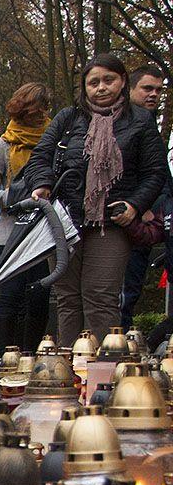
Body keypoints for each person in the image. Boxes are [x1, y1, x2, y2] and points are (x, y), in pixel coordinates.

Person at [25, 54, 168, 346]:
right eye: (93, 82)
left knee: (100, 297)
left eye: (108, 80)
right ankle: (67, 373)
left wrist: (135, 205)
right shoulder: (67, 118)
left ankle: (100, 376)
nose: (101, 88)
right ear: (84, 87)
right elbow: (39, 158)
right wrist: (42, 185)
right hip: (64, 221)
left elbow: (155, 173)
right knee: (67, 299)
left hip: (112, 223)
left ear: (123, 82)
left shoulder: (140, 121)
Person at [0, 81, 53, 351]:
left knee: (38, 299)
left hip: (44, 234)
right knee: (10, 298)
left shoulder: (54, 142)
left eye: (44, 110)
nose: (41, 116)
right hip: (10, 234)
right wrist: (14, 198)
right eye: (35, 111)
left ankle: (30, 357)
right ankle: (5, 361)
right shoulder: (3, 145)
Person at [119, 65, 168, 328]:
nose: (154, 94)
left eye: (159, 90)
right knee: (123, 292)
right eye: (147, 88)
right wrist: (142, 205)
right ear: (130, 89)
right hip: (131, 218)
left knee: (131, 290)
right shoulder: (130, 123)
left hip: (146, 223)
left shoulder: (147, 122)